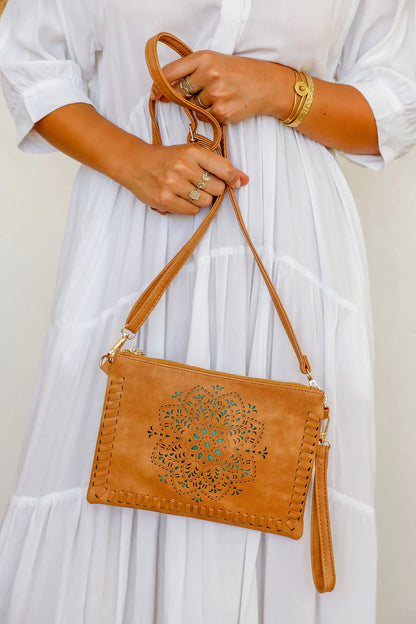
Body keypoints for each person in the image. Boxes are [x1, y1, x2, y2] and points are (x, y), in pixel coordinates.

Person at [0, 0, 415, 622]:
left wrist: (283, 90)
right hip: (134, 228)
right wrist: (135, 162)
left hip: (294, 248)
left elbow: (395, 106)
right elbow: (30, 58)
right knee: (107, 477)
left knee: (279, 481)